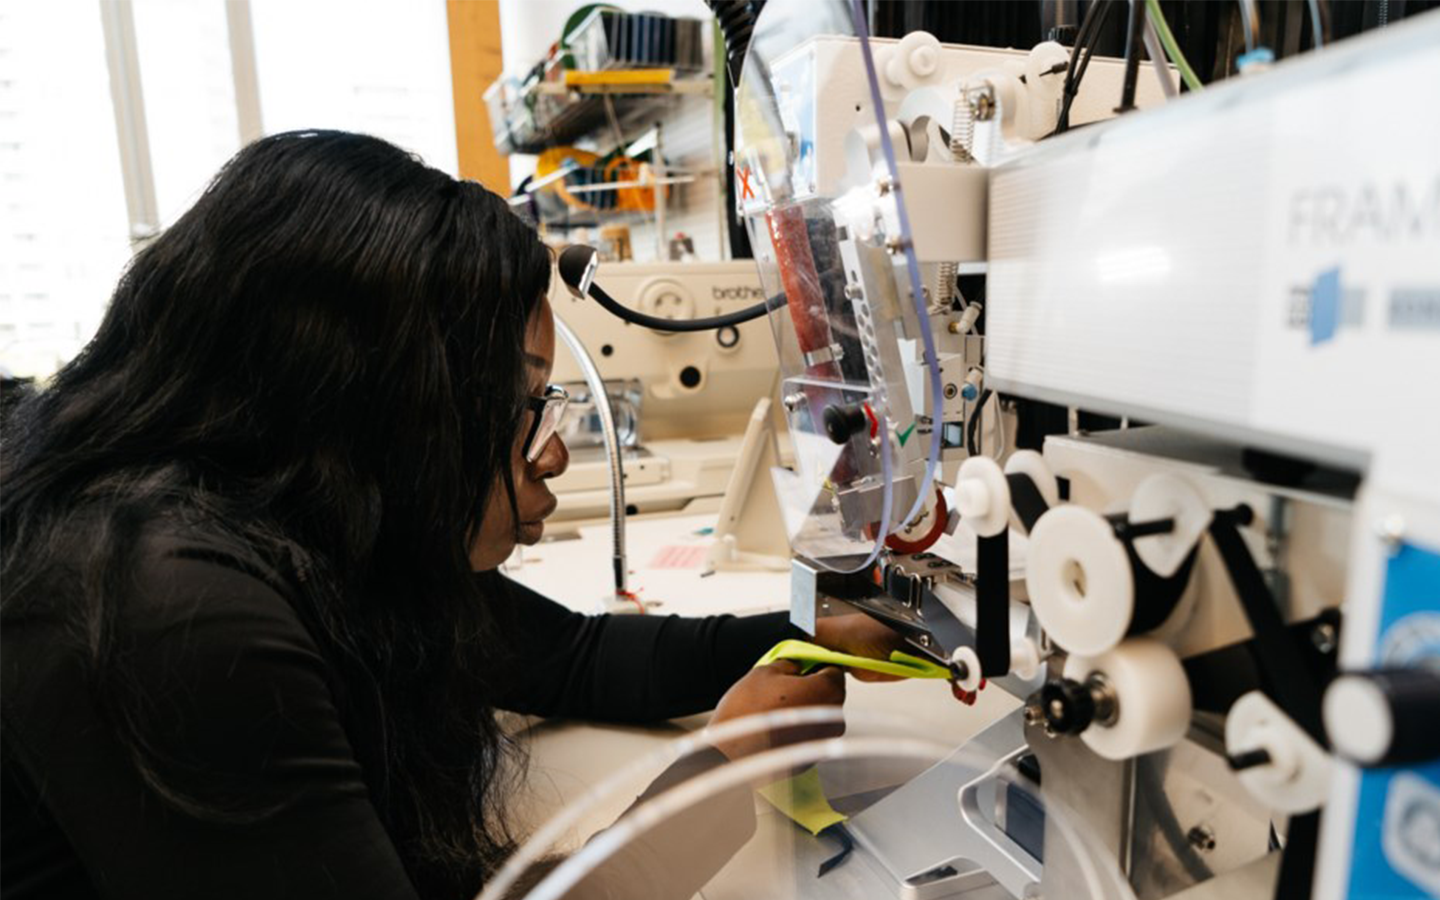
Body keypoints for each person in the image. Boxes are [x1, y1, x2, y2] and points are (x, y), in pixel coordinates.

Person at [0, 130, 901, 900]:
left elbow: (579, 658)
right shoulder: (172, 610)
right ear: (388, 406)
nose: (551, 451)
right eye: (526, 404)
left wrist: (809, 629)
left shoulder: (326, 531)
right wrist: (718, 774)